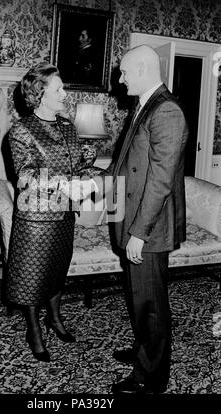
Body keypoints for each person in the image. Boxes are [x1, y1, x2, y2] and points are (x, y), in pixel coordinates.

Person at [6, 62, 102, 362]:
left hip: (63, 217)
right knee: (33, 277)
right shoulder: (22, 130)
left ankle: (55, 318)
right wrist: (65, 184)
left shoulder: (67, 126)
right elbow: (26, 174)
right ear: (40, 93)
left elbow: (78, 168)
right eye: (59, 89)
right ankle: (34, 329)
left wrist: (94, 174)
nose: (65, 94)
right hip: (36, 219)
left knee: (57, 271)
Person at [109, 45, 189, 394]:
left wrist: (139, 233)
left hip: (149, 227)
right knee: (139, 297)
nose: (121, 79)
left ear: (142, 69)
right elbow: (126, 161)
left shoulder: (166, 110)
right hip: (134, 219)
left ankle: (150, 377)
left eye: (125, 73)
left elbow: (160, 181)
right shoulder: (145, 106)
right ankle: (145, 349)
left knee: (151, 303)